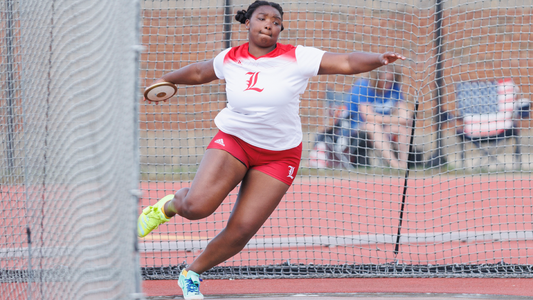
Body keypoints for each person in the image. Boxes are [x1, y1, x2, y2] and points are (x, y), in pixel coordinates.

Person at [137, 1, 405, 299]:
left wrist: (378, 59)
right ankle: (166, 207)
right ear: (248, 23)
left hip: (279, 155)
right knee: (196, 208)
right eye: (262, 18)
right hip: (234, 141)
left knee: (242, 231)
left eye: (276, 21)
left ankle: (191, 273)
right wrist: (166, 81)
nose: (269, 24)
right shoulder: (230, 58)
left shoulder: (297, 57)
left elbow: (346, 62)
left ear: (280, 29)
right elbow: (200, 72)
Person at [347, 64, 410, 169]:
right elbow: (368, 116)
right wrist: (397, 119)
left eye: (391, 80)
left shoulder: (394, 88)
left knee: (402, 129)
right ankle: (394, 165)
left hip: (383, 127)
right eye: (385, 80)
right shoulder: (363, 86)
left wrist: (405, 118)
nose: (388, 83)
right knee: (373, 126)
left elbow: (404, 112)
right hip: (357, 127)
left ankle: (404, 165)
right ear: (376, 78)